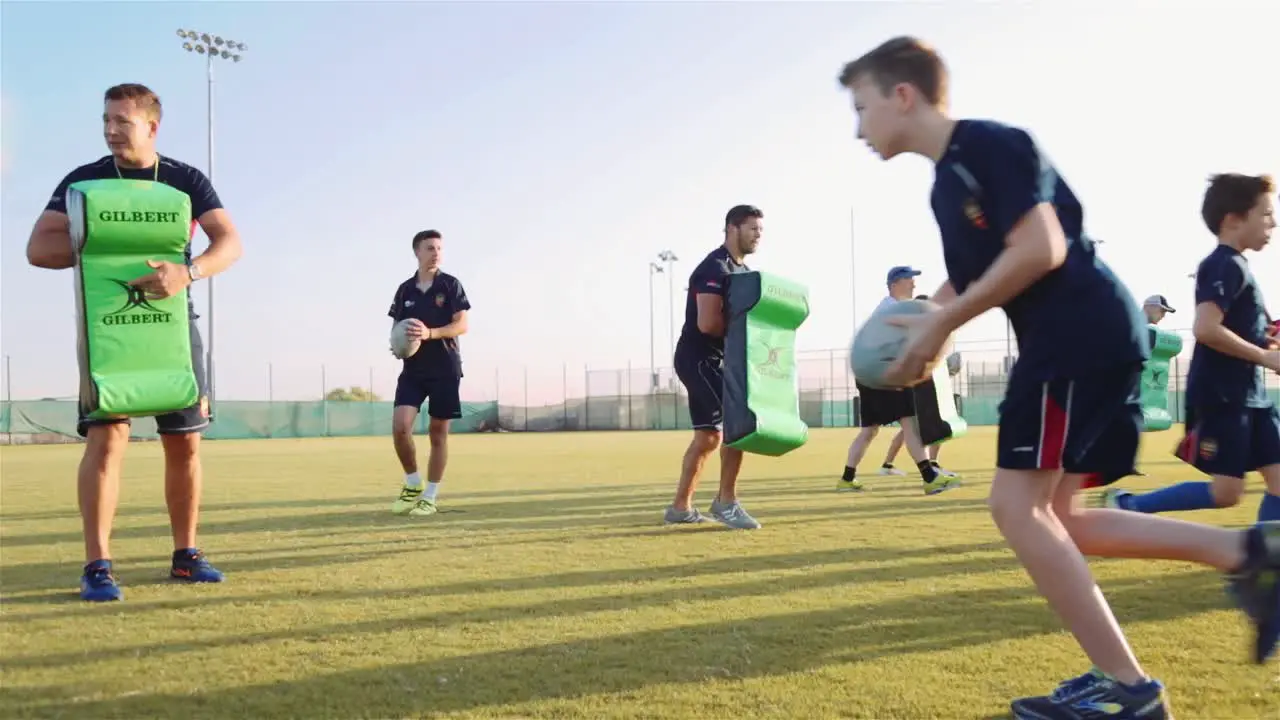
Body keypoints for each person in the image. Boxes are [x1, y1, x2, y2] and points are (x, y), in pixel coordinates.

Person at [837, 36, 1280, 718]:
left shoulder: (989, 144)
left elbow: (1040, 246)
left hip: (1074, 338)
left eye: (862, 107)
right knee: (1063, 520)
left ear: (903, 95)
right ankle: (1252, 553)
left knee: (1015, 508)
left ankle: (1130, 692)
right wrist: (926, 318)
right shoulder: (946, 184)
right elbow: (981, 270)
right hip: (1082, 338)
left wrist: (940, 325)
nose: (858, 127)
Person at [24, 83, 243, 602]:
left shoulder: (185, 179)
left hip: (172, 327)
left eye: (122, 120)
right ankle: (97, 565)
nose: (110, 129)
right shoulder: (85, 181)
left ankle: (186, 556)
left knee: (185, 441)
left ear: (152, 126)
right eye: (106, 119)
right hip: (108, 331)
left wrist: (187, 272)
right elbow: (37, 248)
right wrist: (96, 248)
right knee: (107, 440)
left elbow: (230, 242)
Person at [1100, 176, 1280, 523]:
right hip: (1224, 396)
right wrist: (1264, 356)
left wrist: (1267, 341)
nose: (1273, 222)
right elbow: (1206, 328)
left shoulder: (1239, 266)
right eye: (1266, 214)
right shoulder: (1222, 265)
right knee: (1226, 492)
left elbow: (1252, 332)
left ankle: (1264, 564)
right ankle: (1127, 507)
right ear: (1233, 219)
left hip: (1251, 396)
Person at [664, 205, 764, 530]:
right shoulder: (714, 268)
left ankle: (680, 509)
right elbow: (708, 324)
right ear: (732, 229)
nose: (758, 235)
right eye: (752, 229)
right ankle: (726, 503)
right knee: (737, 424)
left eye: (760, 230)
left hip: (713, 360)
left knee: (709, 438)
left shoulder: (741, 271)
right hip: (697, 358)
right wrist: (740, 334)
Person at [840, 271, 959, 494]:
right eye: (909, 278)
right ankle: (929, 477)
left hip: (873, 374)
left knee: (869, 431)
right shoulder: (891, 308)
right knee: (909, 423)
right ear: (895, 284)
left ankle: (847, 478)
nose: (914, 282)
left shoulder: (898, 307)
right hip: (884, 372)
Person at [387, 230, 471, 517]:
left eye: (439, 248)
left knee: (438, 432)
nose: (436, 252)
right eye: (430, 248)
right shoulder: (405, 290)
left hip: (445, 367)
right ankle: (412, 484)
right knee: (400, 427)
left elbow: (462, 325)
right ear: (417, 252)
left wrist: (430, 333)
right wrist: (398, 346)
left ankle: (430, 496)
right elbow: (397, 328)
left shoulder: (450, 285)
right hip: (413, 370)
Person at [877, 293, 962, 479]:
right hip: (914, 384)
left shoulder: (928, 329)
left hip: (925, 382)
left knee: (916, 427)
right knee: (915, 427)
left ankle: (894, 464)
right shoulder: (912, 329)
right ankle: (921, 466)